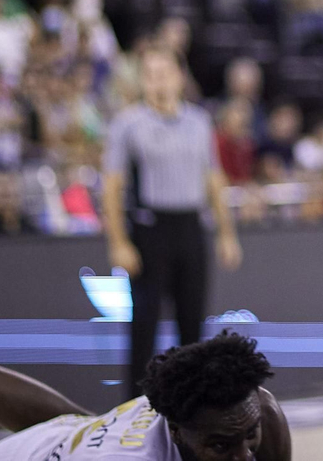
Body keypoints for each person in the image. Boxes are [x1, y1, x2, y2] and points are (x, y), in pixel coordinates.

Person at [0, 267, 290, 459]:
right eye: (222, 448)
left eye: (247, 438)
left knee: (78, 425)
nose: (244, 456)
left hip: (68, 439)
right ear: (174, 430)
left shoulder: (259, 414)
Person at [103, 47, 243, 397]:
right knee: (145, 325)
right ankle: (133, 407)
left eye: (164, 72)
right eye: (150, 74)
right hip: (150, 229)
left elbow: (213, 177)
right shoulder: (128, 124)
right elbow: (112, 186)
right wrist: (118, 242)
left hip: (190, 227)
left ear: (180, 77)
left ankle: (191, 402)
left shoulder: (198, 121)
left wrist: (226, 233)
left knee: (192, 323)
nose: (158, 81)